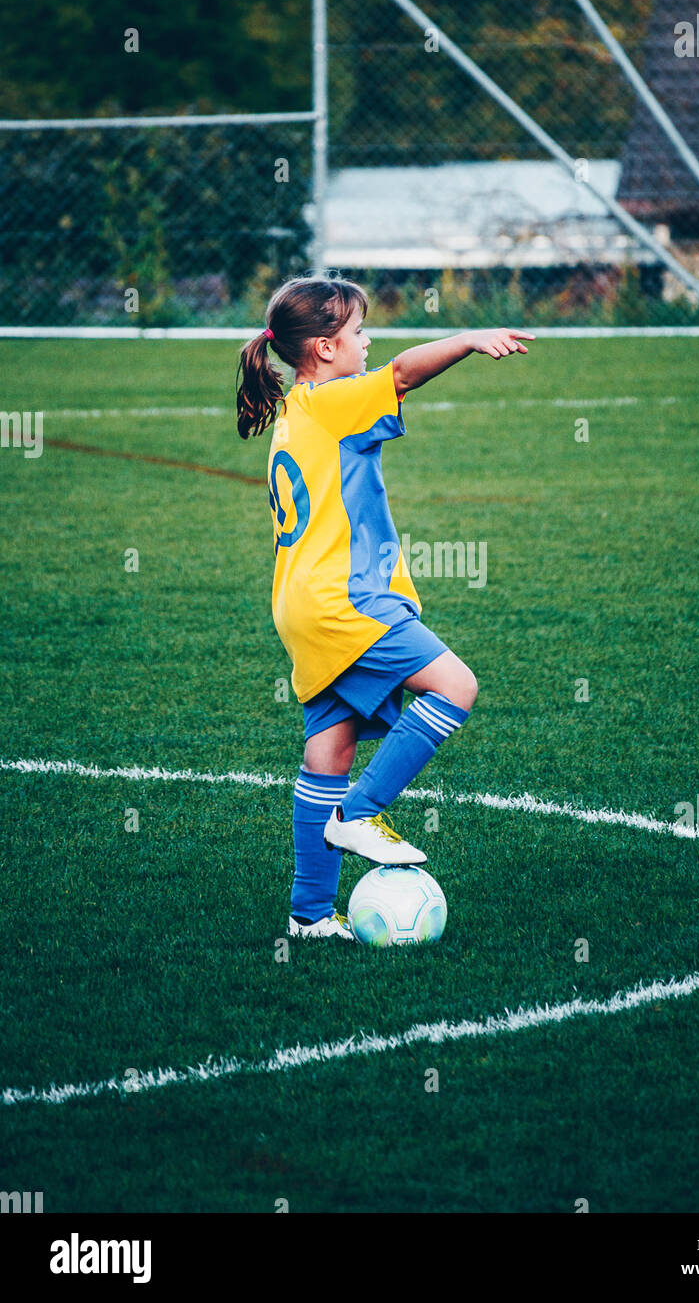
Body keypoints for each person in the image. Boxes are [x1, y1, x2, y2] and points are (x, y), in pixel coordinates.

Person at [237, 275, 534, 939]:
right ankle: (361, 815)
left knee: (329, 752)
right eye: (358, 333)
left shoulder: (295, 410)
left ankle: (310, 914)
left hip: (301, 603)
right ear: (322, 348)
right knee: (456, 686)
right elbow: (402, 375)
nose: (368, 343)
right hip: (346, 600)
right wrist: (465, 340)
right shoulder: (330, 401)